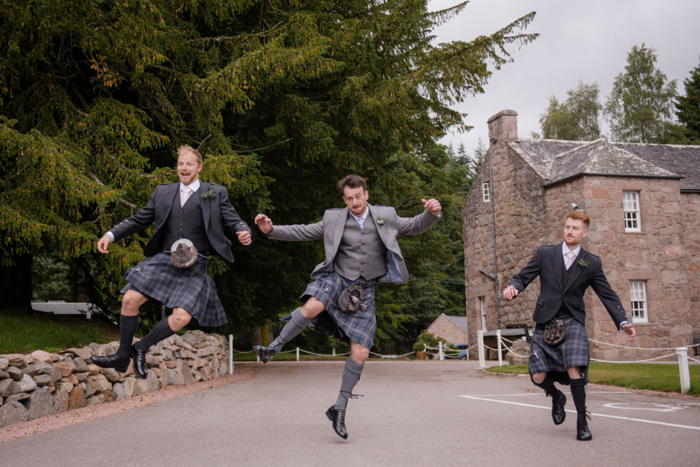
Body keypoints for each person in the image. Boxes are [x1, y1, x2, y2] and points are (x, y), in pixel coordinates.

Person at [253, 174, 441, 439]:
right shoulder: (333, 218)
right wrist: (272, 231)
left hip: (364, 291)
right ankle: (273, 348)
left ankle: (339, 408)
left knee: (362, 351)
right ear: (344, 199)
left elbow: (414, 225)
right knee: (312, 305)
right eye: (349, 198)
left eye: (358, 196)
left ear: (366, 194)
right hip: (336, 278)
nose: (354, 202)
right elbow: (304, 231)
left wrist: (431, 213)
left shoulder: (386, 215)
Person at [90, 145, 253, 379]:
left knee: (182, 317)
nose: (184, 168)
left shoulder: (215, 193)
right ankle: (122, 354)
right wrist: (111, 234)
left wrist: (244, 232)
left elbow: (234, 221)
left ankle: (141, 348)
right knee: (129, 299)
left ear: (199, 167)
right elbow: (139, 219)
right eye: (180, 164)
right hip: (165, 257)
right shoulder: (163, 192)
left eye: (189, 164)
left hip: (195, 264)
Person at [502, 210, 637, 441]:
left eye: (575, 228)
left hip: (572, 320)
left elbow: (607, 294)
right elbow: (523, 276)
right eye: (567, 227)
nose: (569, 231)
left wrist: (623, 321)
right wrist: (513, 286)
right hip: (545, 320)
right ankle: (556, 396)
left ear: (584, 233)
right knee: (536, 375)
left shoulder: (591, 262)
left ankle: (582, 422)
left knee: (575, 368)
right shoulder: (546, 253)